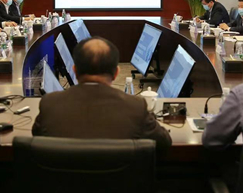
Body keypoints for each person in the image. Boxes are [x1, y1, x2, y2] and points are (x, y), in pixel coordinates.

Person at [32, 37, 172, 155]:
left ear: (74, 71)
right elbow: (164, 143)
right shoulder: (136, 107)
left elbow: (37, 136)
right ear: (116, 73)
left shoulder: (49, 104)